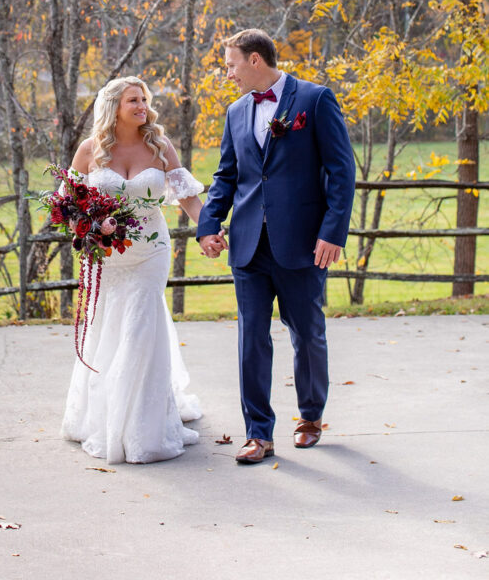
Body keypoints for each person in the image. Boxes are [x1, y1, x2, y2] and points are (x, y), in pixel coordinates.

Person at [197, 29, 355, 464]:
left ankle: (309, 418)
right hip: (248, 244)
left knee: (306, 333)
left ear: (253, 60)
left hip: (303, 243)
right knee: (252, 338)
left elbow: (342, 172)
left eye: (230, 65)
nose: (227, 74)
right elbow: (228, 175)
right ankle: (258, 434)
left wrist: (332, 233)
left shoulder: (315, 99)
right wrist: (209, 224)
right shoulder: (234, 112)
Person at [61, 76, 205, 464]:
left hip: (150, 252)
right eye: (133, 100)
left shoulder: (159, 147)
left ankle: (143, 427)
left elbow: (187, 196)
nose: (142, 106)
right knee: (109, 328)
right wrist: (92, 227)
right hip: (107, 256)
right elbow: (68, 207)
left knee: (141, 328)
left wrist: (208, 231)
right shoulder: (91, 150)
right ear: (114, 106)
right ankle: (104, 415)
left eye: (143, 99)